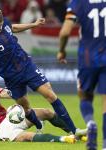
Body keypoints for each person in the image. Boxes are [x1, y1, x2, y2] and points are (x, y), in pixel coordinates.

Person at [0, 8, 86, 136]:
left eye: (1, 25)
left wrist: (33, 24)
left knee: (50, 95)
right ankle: (39, 125)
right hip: (11, 76)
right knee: (26, 107)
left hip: (26, 65)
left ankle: (75, 130)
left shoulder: (4, 23)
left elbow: (13, 28)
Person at [0, 71, 77, 143]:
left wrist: (2, 95)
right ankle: (64, 139)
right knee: (28, 137)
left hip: (11, 118)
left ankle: (74, 132)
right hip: (1, 130)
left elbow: (10, 93)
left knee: (46, 112)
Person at [57, 0, 106, 150]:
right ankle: (105, 144)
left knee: (84, 95)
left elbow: (65, 32)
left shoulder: (78, 2)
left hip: (87, 58)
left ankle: (90, 123)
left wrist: (62, 50)